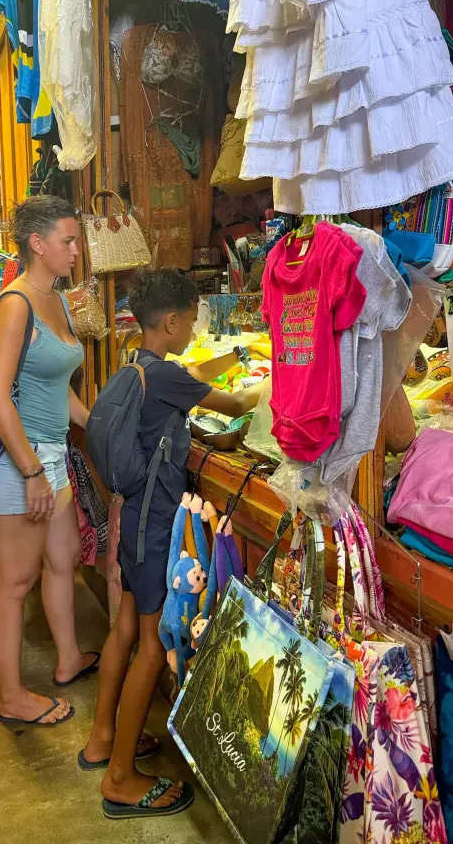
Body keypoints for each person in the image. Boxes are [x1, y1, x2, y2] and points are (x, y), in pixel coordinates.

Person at [82, 268, 263, 819]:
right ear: (172, 320)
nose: (194, 329)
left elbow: (194, 376)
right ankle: (120, 779)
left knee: (125, 631)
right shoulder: (165, 377)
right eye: (192, 320)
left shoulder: (139, 365)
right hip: (154, 528)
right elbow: (233, 405)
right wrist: (276, 385)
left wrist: (231, 357)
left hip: (131, 521)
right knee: (154, 646)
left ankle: (103, 740)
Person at [0, 196, 97, 728]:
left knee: (63, 559)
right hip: (19, 462)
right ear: (37, 243)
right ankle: (11, 697)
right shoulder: (15, 304)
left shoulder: (59, 300)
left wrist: (96, 426)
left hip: (52, 456)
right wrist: (30, 472)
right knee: (16, 580)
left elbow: (55, 387)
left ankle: (68, 658)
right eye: (68, 241)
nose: (76, 251)